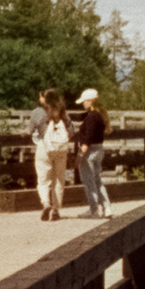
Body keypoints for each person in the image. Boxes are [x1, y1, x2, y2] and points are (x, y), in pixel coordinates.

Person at [27, 89, 74, 221]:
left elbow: (30, 130)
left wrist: (24, 132)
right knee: (59, 180)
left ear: (44, 99)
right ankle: (55, 210)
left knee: (43, 179)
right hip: (61, 149)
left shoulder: (38, 112)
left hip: (44, 147)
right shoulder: (63, 113)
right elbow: (71, 130)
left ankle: (46, 203)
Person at [73, 88, 111, 219]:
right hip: (99, 149)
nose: (83, 104)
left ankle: (94, 209)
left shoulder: (91, 118)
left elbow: (88, 137)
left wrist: (80, 154)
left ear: (90, 101)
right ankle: (106, 207)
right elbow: (81, 116)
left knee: (89, 181)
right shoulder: (99, 115)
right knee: (97, 179)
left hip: (89, 150)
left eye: (84, 101)